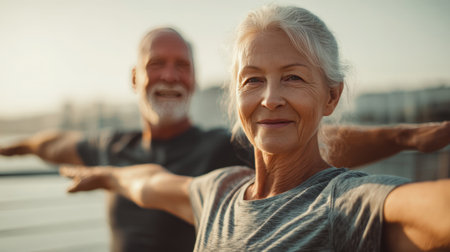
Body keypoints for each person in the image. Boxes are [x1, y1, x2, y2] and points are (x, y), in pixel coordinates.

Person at [2, 25, 449, 251]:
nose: (170, 76)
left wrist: (406, 135)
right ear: (134, 76)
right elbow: (57, 146)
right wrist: (16, 146)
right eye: (158, 64)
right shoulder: (113, 149)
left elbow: (313, 138)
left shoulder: (227, 147)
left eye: (182, 66)